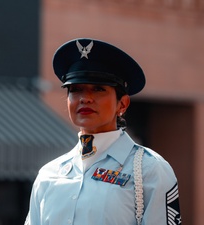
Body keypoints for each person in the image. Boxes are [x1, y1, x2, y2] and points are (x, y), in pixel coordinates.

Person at [25, 38, 181, 225]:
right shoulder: (48, 174)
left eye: (98, 89)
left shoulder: (150, 170)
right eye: (75, 89)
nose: (85, 98)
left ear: (122, 104)